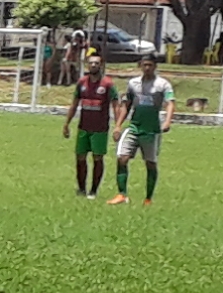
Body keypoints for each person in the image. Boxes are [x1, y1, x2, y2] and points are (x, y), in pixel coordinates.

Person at [107, 54, 175, 206]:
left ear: (155, 66)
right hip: (134, 127)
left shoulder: (162, 84)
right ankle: (122, 194)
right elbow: (127, 104)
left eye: (150, 65)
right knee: (122, 158)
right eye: (144, 65)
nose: (147, 68)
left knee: (150, 163)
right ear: (140, 66)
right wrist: (118, 125)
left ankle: (148, 198)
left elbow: (170, 102)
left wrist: (168, 121)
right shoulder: (133, 83)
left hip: (151, 131)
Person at [61, 50, 118, 198]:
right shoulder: (82, 82)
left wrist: (118, 126)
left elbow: (115, 105)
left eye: (96, 63)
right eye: (91, 63)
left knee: (97, 158)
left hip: (100, 129)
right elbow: (74, 104)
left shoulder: (107, 84)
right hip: (83, 127)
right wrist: (67, 123)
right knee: (80, 157)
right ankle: (81, 189)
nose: (93, 65)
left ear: (101, 65)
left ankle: (93, 190)